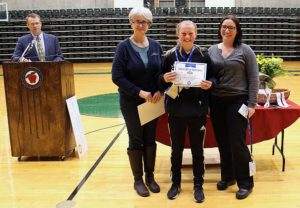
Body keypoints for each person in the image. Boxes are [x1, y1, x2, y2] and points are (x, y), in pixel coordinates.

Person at [158, 20, 215, 203]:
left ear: (196, 34)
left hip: (198, 111)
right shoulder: (169, 56)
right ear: (178, 34)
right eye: (184, 33)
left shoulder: (204, 55)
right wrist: (164, 77)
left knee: (198, 151)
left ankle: (198, 185)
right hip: (176, 111)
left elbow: (213, 76)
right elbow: (158, 79)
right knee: (176, 150)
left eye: (190, 33)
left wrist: (211, 84)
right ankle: (176, 183)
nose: (187, 37)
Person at [111, 7, 163, 197]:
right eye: (137, 21)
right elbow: (117, 76)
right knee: (136, 139)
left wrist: (160, 89)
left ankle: (150, 177)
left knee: (150, 139)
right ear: (131, 23)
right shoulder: (123, 47)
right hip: (131, 102)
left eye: (144, 21)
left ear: (149, 24)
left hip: (153, 102)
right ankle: (138, 179)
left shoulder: (156, 46)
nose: (141, 24)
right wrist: (139, 92)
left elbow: (161, 74)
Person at [208, 15, 259, 200]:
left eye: (231, 27)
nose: (227, 30)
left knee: (237, 143)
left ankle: (246, 183)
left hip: (238, 101)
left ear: (237, 30)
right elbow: (209, 77)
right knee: (222, 142)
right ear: (220, 29)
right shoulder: (212, 50)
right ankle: (228, 177)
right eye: (224, 27)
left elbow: (254, 78)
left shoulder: (245, 50)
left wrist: (252, 103)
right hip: (216, 102)